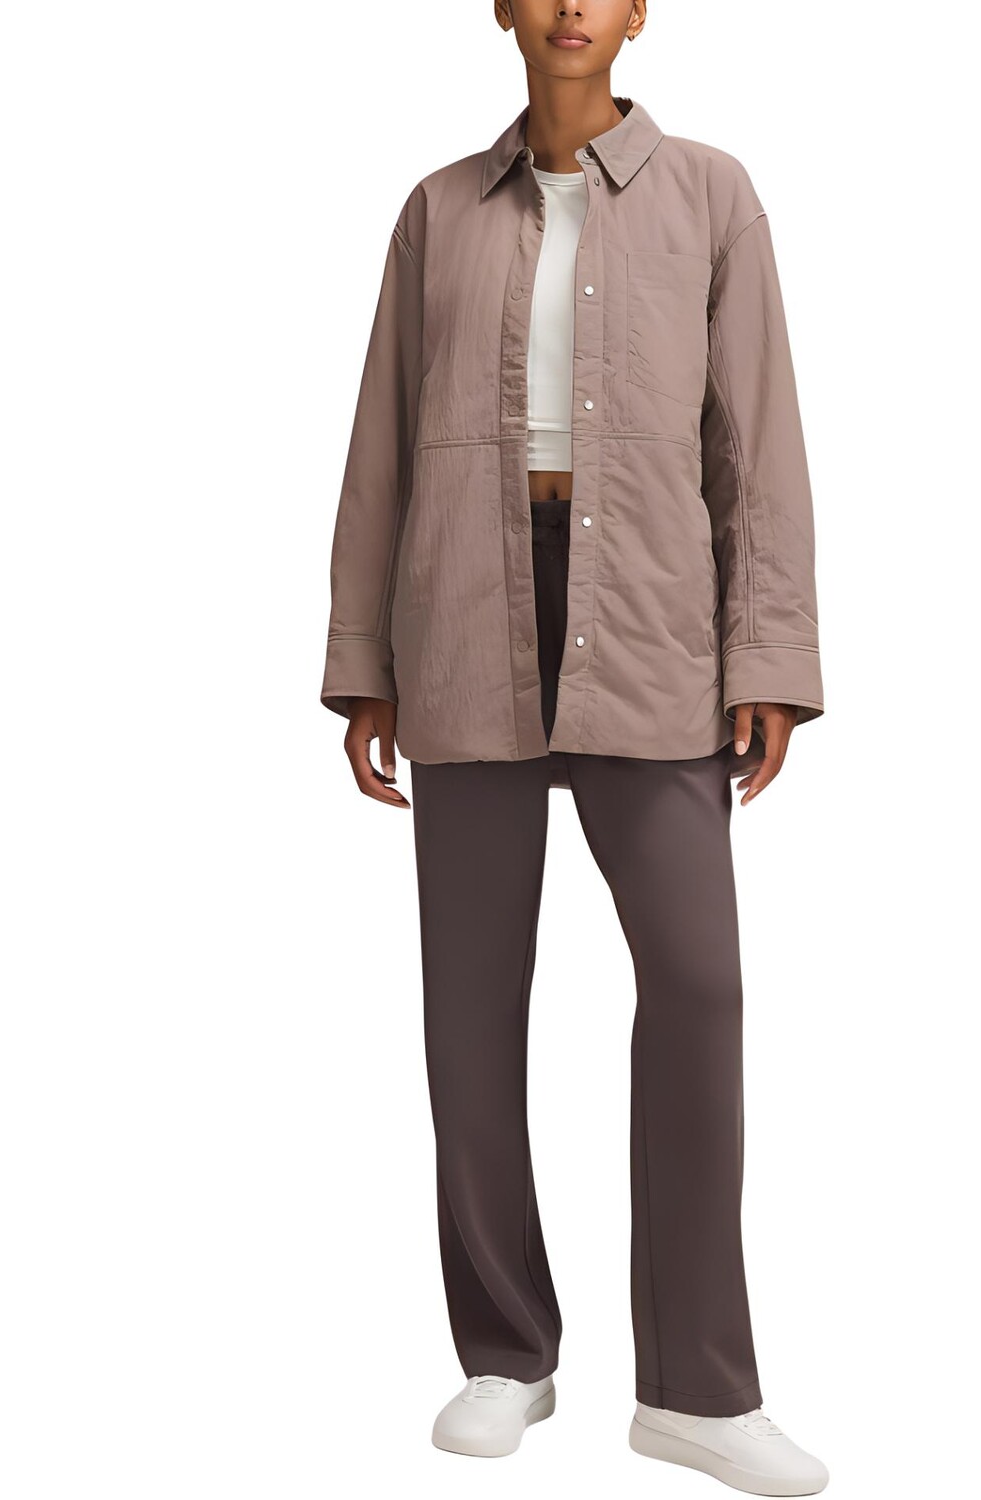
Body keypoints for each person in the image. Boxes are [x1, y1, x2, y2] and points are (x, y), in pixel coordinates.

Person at [318, 4, 828, 1493]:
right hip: (463, 606)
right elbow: (380, 440)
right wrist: (363, 658)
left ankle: (699, 1389)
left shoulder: (713, 193)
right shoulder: (437, 210)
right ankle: (505, 1353)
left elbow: (758, 438)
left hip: (653, 611)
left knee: (699, 983)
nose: (568, 8)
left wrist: (770, 654)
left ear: (639, 9)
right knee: (471, 1002)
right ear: (502, 6)